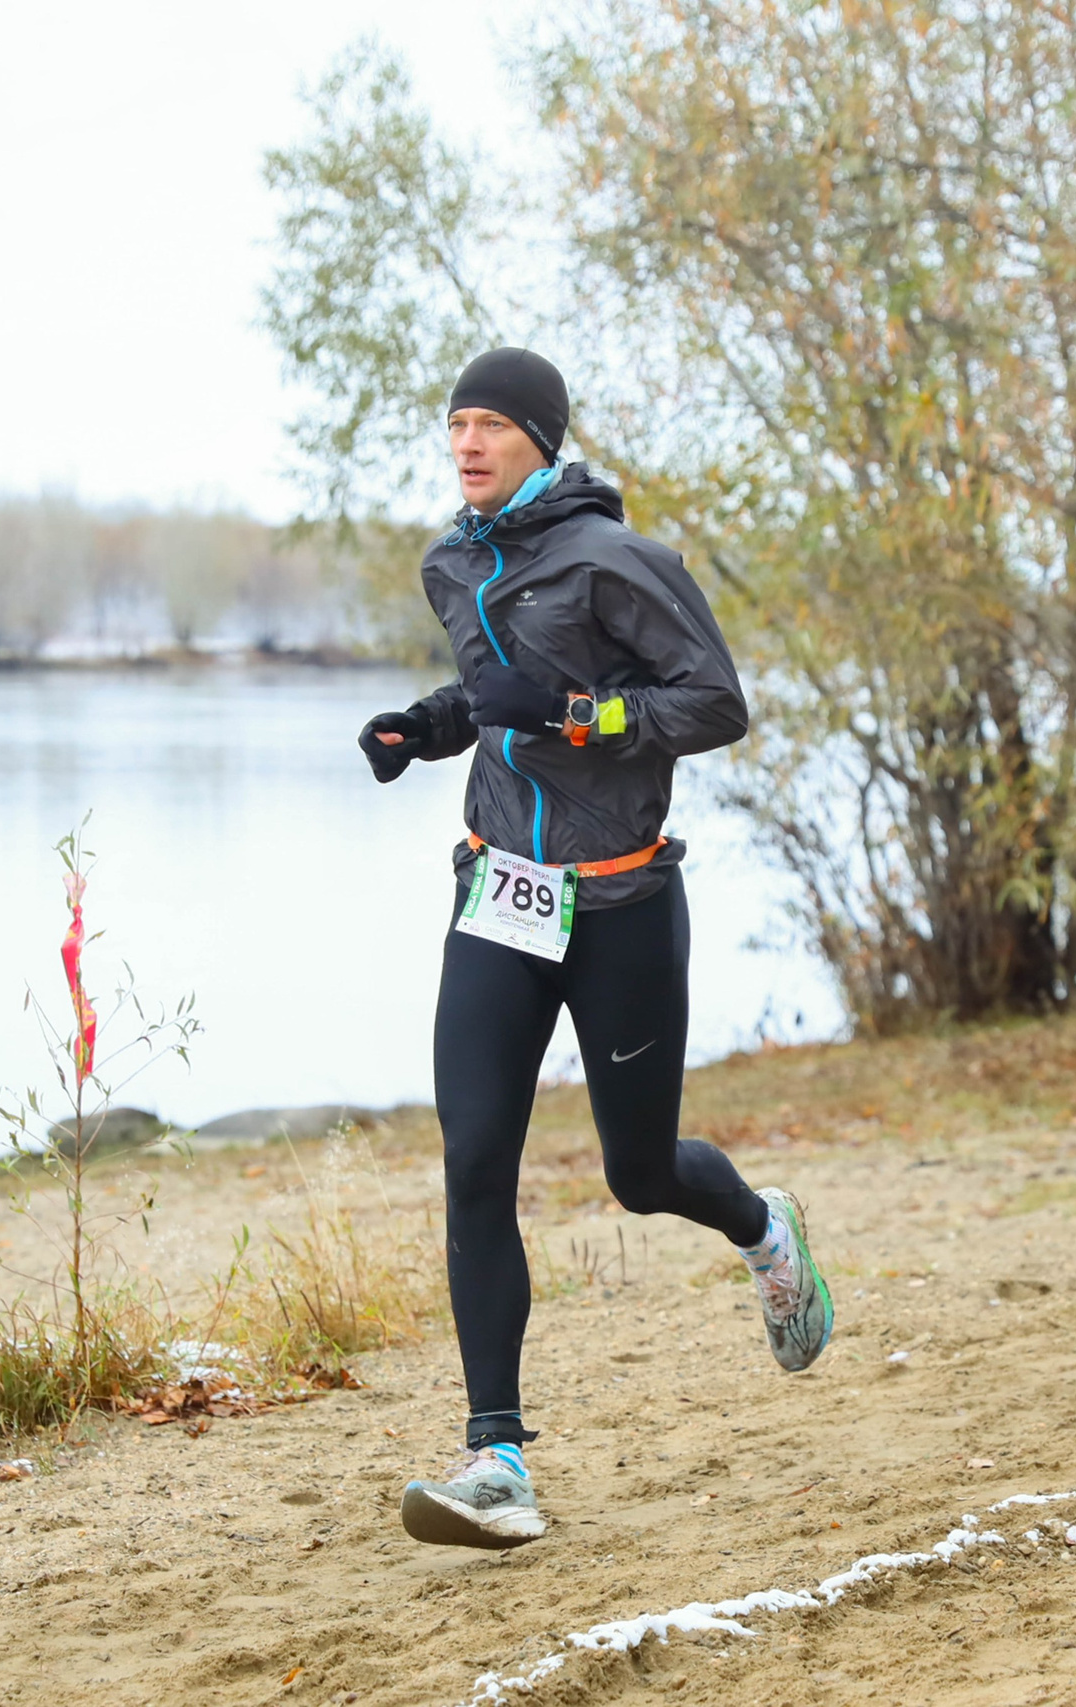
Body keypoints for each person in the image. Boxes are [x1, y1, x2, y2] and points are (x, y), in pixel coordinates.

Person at [356, 347, 832, 1551]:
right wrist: (428, 725)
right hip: (498, 894)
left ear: (541, 439)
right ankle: (496, 1459)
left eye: (490, 426)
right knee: (474, 1161)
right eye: (454, 424)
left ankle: (760, 1229)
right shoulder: (452, 562)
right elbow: (497, 694)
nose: (466, 444)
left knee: (638, 1173)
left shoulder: (620, 562)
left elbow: (712, 703)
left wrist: (582, 716)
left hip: (616, 905)